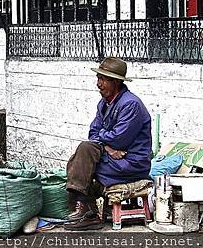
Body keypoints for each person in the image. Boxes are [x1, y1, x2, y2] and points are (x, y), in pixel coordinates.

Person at [64, 57, 152, 231]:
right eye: (98, 78)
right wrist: (107, 147)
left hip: (131, 163)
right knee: (84, 152)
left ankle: (87, 210)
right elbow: (92, 133)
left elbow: (119, 139)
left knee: (81, 161)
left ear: (116, 82)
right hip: (112, 159)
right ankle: (86, 209)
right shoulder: (104, 104)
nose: (98, 84)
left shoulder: (130, 104)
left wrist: (105, 141)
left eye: (103, 79)